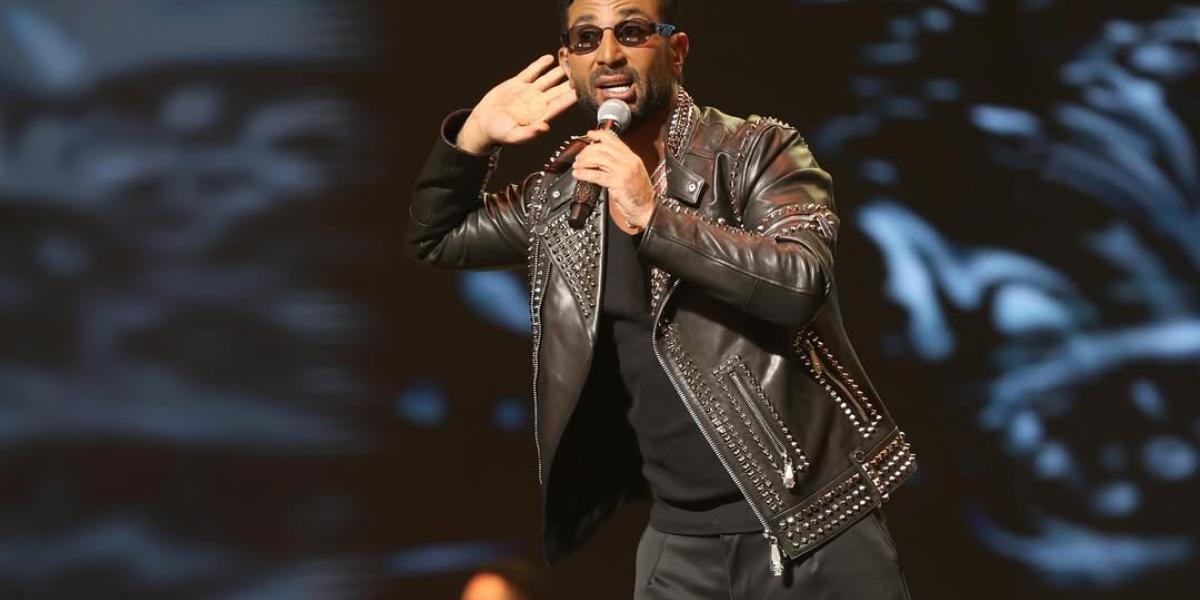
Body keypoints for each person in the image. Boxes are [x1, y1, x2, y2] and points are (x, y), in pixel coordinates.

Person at [407, 0, 917, 597]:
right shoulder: (566, 194)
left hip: (812, 527)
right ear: (568, 62)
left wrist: (654, 218)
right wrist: (472, 139)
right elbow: (437, 237)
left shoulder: (755, 150)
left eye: (630, 31)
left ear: (675, 51)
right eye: (587, 38)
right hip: (679, 545)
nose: (608, 54)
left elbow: (801, 281)